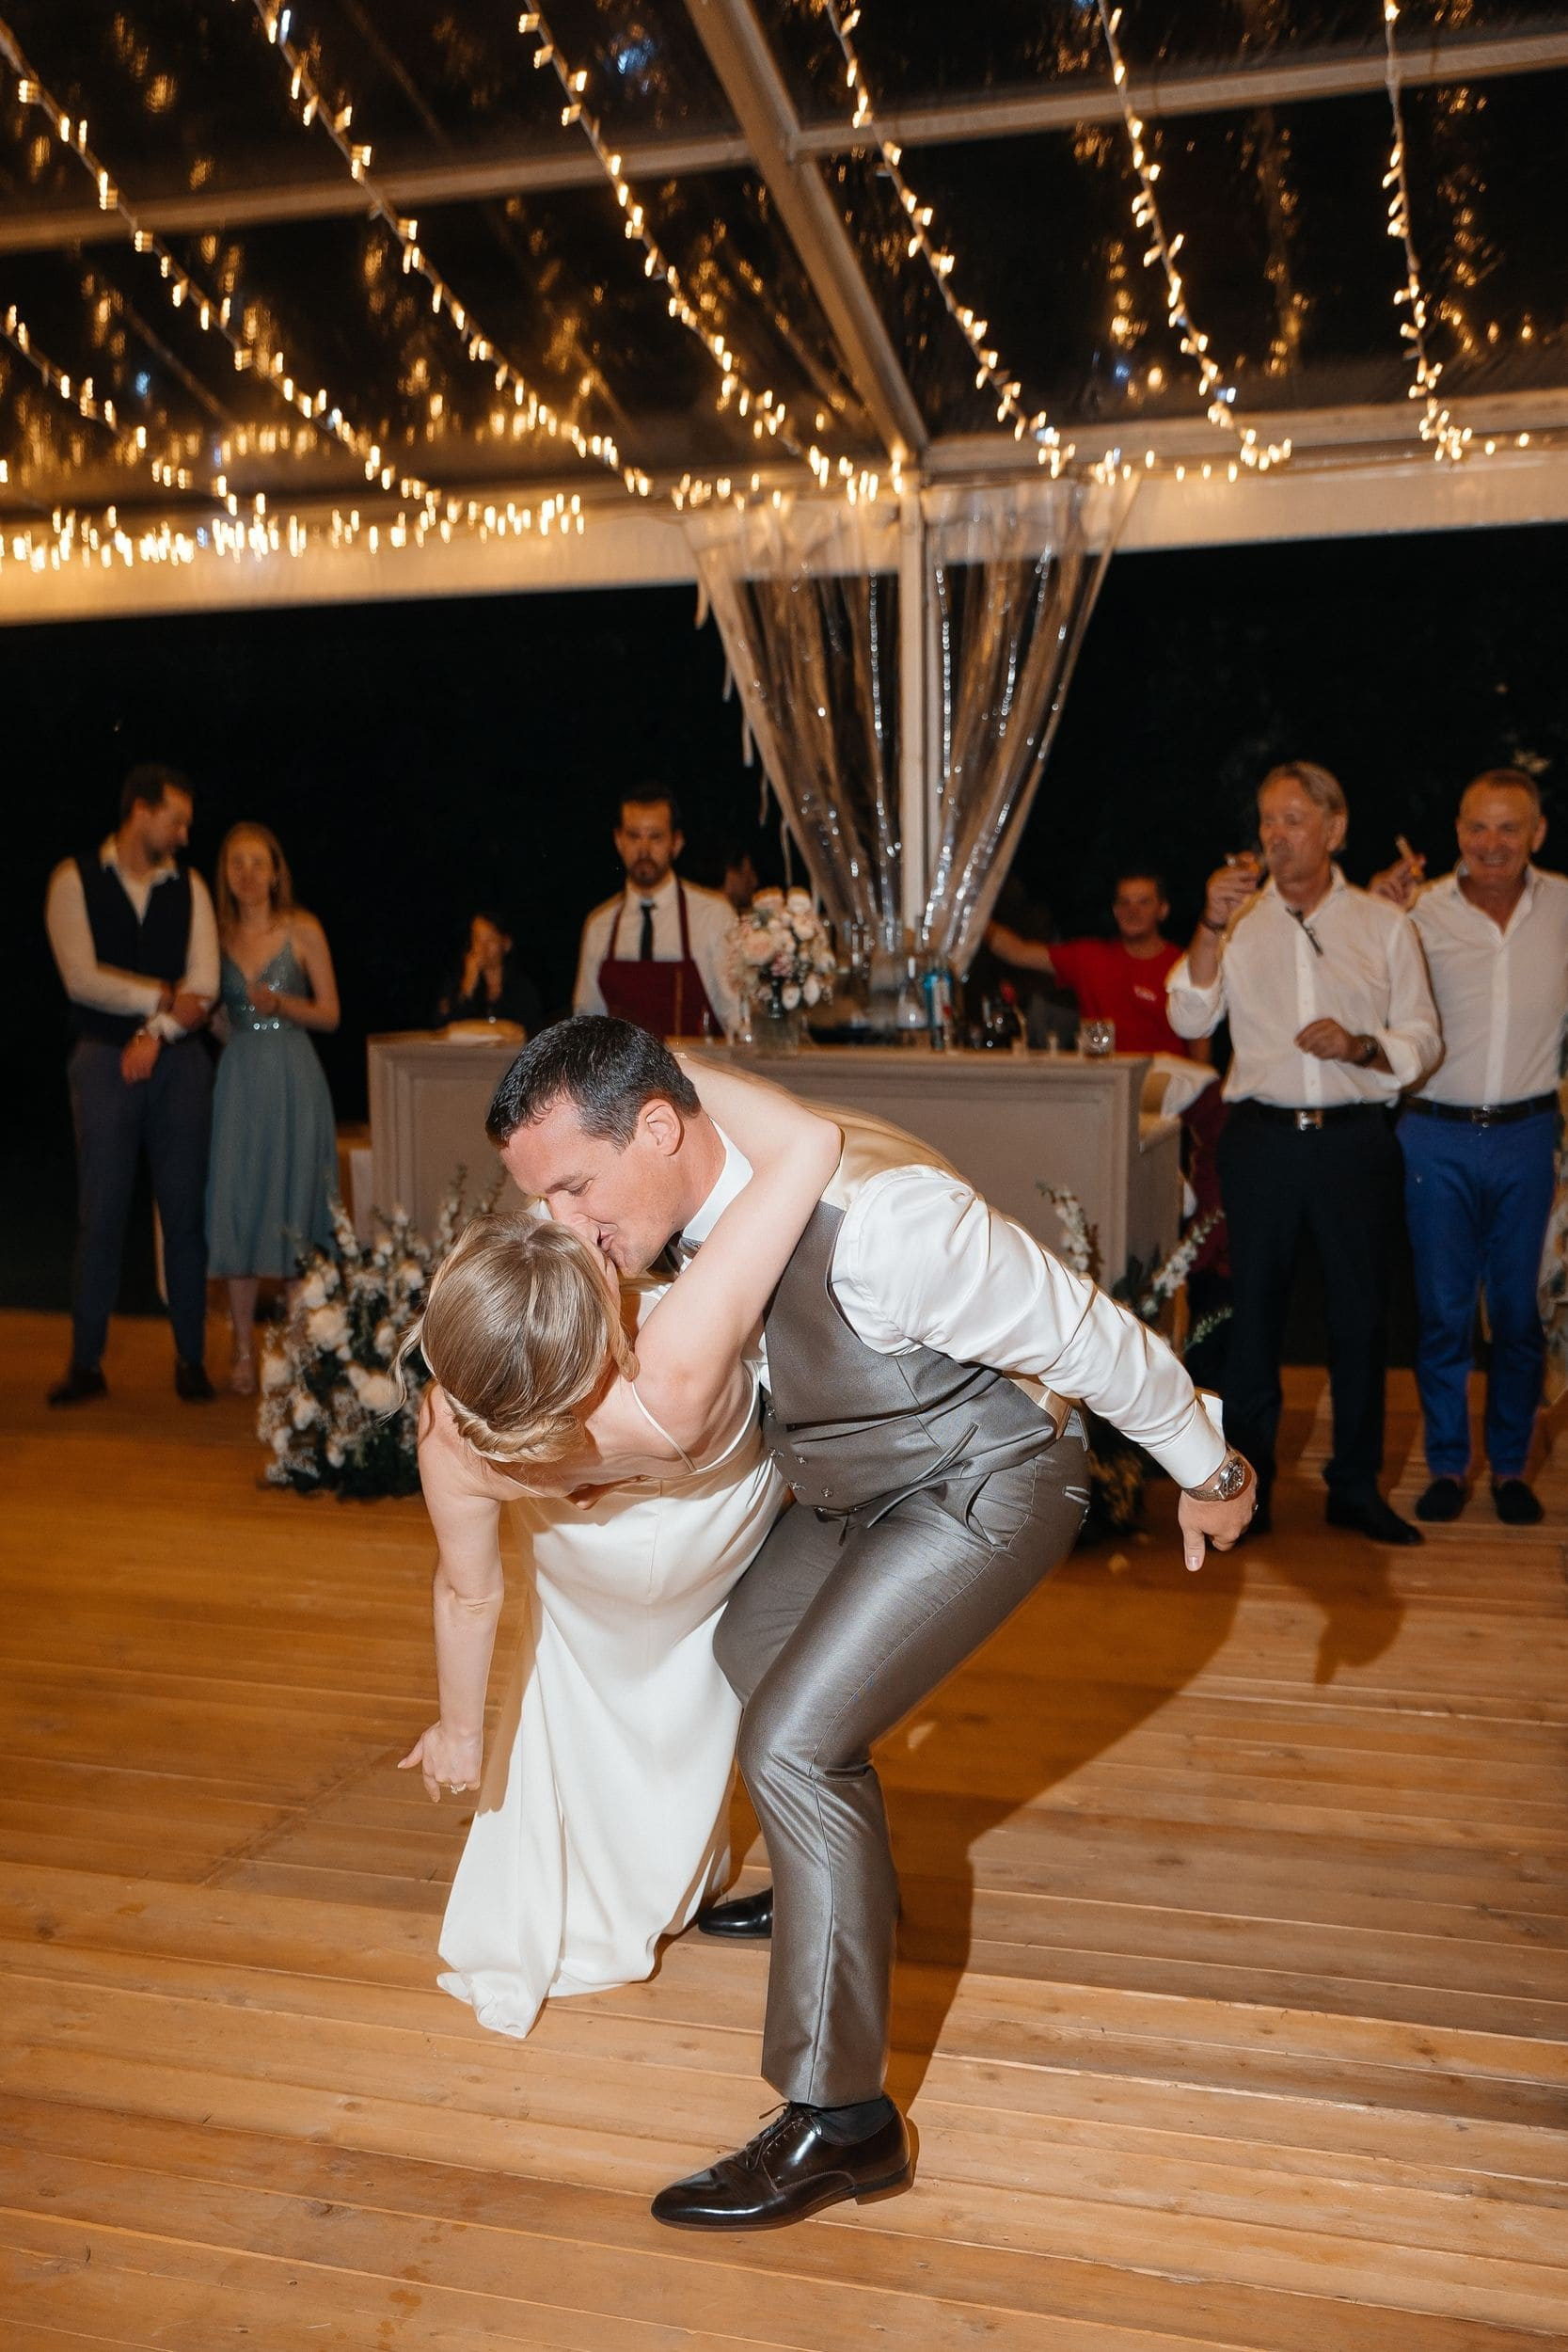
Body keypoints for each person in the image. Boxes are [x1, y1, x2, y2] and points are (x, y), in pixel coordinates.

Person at [489, 1015, 1255, 2230]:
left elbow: (1087, 1333)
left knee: (793, 1747)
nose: (562, 1223)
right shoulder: (695, 1212)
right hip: (856, 1487)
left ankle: (841, 2122)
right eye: (543, 1202)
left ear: (657, 1128)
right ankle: (840, 1893)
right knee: (749, 1646)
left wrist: (1208, 1470)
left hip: (988, 1481)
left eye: (573, 1187)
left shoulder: (890, 1224)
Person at [398, 1058, 843, 2042]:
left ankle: (619, 1878)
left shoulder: (449, 1429)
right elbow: (809, 1145)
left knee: (589, 1686)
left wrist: (461, 1733)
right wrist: (650, 1064)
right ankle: (686, 1861)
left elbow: (468, 1596)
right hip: (708, 1548)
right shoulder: (672, 1368)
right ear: (598, 1318)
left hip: (587, 1577)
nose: (573, 1223)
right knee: (689, 1688)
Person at [1166, 761, 1441, 1547]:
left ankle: (1354, 1488)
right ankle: (1247, 1494)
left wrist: (1360, 1045)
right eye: (1266, 820)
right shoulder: (1237, 920)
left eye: (1292, 819)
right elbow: (1188, 1014)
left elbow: (1423, 1039)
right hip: (1260, 1143)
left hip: (1354, 1143)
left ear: (1334, 829)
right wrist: (1209, 924)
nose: (1274, 835)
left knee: (1359, 1318)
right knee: (1253, 1319)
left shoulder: (1383, 924)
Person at [1370, 771, 1568, 1526]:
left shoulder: (1562, 906)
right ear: (1456, 832)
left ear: (1536, 833)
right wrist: (1375, 914)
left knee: (1518, 1314)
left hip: (1526, 1134)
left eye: (1508, 827)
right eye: (1477, 827)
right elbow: (1361, 991)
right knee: (1443, 1313)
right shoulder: (1414, 911)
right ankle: (1449, 1466)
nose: (1491, 843)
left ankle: (1510, 1467)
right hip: (1432, 1133)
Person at [43, 762, 218, 1405]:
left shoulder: (190, 885)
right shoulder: (73, 879)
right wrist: (160, 995)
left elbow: (205, 984)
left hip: (177, 1060)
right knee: (102, 1211)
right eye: (177, 820)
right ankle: (86, 1364)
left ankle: (191, 1360)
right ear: (141, 811)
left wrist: (157, 1032)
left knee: (184, 1213)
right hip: (102, 1059)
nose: (185, 834)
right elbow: (80, 979)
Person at [205, 823, 341, 1392]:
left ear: (276, 870)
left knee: (293, 1206)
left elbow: (331, 1013)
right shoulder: (214, 935)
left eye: (258, 862)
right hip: (240, 1080)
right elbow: (214, 1016)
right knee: (237, 1207)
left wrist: (280, 1003)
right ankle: (242, 1350)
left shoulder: (303, 929)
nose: (247, 873)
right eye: (236, 862)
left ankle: (294, 1352)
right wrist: (235, 1031)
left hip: (293, 1077)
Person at [572, 788, 739, 1038]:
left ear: (676, 843)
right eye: (634, 836)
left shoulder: (713, 916)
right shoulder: (600, 926)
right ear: (618, 841)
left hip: (695, 1063)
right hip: (624, 1065)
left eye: (655, 837)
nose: (644, 849)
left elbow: (736, 1016)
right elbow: (587, 1024)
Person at [988, 870, 1207, 1059]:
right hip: (1105, 1080)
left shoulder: (1184, 964)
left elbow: (1201, 1035)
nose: (1133, 911)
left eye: (1144, 902)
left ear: (1163, 910)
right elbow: (1017, 952)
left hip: (1164, 1084)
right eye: (1124, 903)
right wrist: (975, 916)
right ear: (1115, 911)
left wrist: (1200, 1086)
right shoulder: (1089, 956)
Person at [436, 910, 545, 1034]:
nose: (482, 947)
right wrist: (467, 987)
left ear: (506, 944)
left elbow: (533, 1030)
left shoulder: (521, 987)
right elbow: (443, 1028)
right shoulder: (456, 982)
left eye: (490, 939)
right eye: (477, 939)